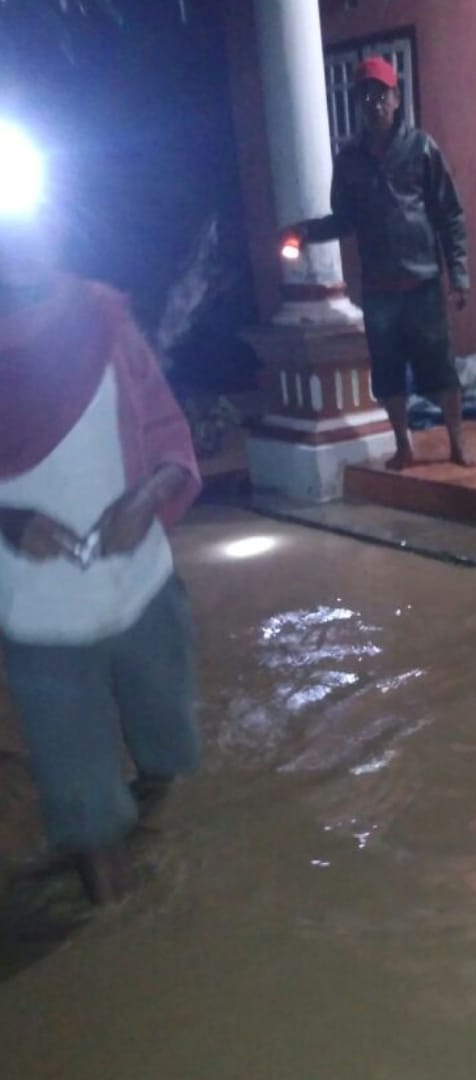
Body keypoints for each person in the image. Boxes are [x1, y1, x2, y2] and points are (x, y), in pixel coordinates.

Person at [0, 120, 202, 905]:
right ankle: (121, 934)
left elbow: (167, 434)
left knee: (167, 756)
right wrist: (8, 525)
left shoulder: (106, 320)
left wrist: (147, 500)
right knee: (87, 808)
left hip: (140, 584)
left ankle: (166, 918)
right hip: (37, 612)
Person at [286, 56, 476, 471]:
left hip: (423, 282)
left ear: (396, 97)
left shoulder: (422, 148)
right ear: (359, 101)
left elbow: (450, 214)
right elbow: (344, 220)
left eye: (381, 94)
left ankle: (458, 443)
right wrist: (305, 232)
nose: (374, 102)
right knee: (388, 373)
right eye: (366, 95)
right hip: (378, 290)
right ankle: (402, 446)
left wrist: (458, 274)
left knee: (441, 368)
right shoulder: (349, 160)